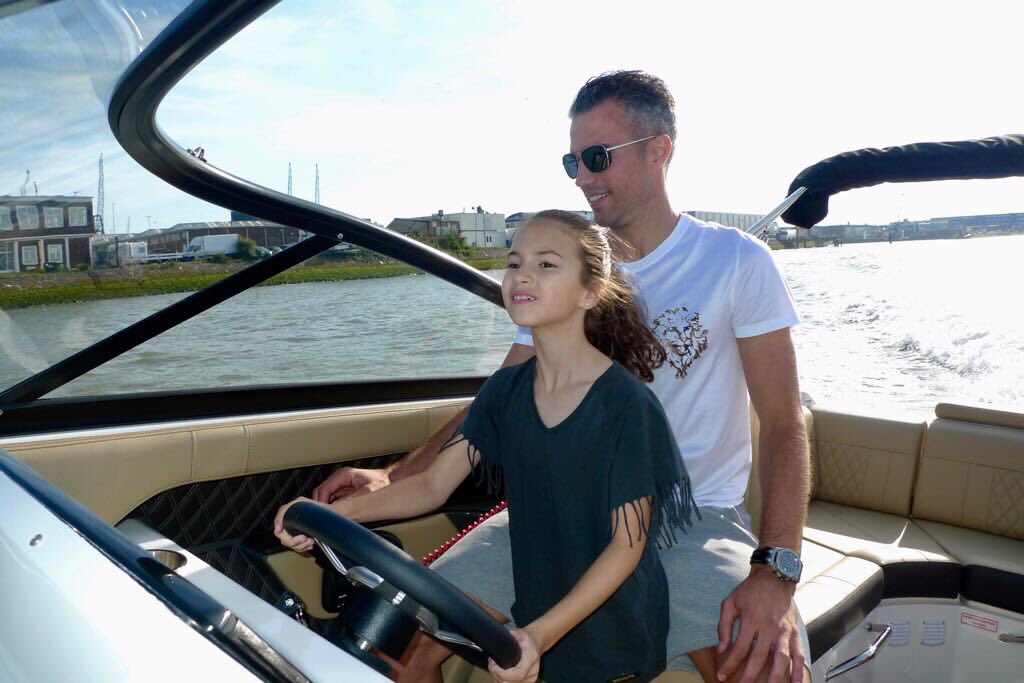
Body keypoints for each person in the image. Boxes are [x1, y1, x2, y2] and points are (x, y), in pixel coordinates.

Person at [309, 70, 812, 683]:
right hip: (554, 514)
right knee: (399, 650)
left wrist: (776, 569)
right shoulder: (562, 276)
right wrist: (394, 477)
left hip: (694, 520)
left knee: (767, 670)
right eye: (572, 161)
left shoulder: (736, 262)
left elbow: (783, 423)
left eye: (598, 157)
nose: (582, 177)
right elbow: (496, 400)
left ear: (659, 150)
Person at [277, 210, 698, 683]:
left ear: (591, 292)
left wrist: (538, 636)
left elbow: (627, 546)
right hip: (536, 603)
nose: (522, 275)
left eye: (546, 264)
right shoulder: (505, 392)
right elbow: (432, 485)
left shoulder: (626, 405)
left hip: (608, 637)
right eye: (515, 262)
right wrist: (334, 518)